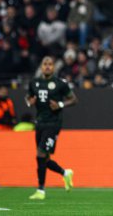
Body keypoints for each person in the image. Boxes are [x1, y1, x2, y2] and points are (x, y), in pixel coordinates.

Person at [26, 56, 78, 200]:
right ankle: (65, 173)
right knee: (44, 158)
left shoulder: (60, 83)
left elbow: (74, 99)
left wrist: (60, 105)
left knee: (40, 154)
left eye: (50, 64)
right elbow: (28, 98)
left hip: (53, 123)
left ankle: (40, 190)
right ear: (41, 67)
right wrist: (29, 102)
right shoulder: (34, 82)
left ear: (54, 67)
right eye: (45, 64)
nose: (47, 66)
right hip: (40, 123)